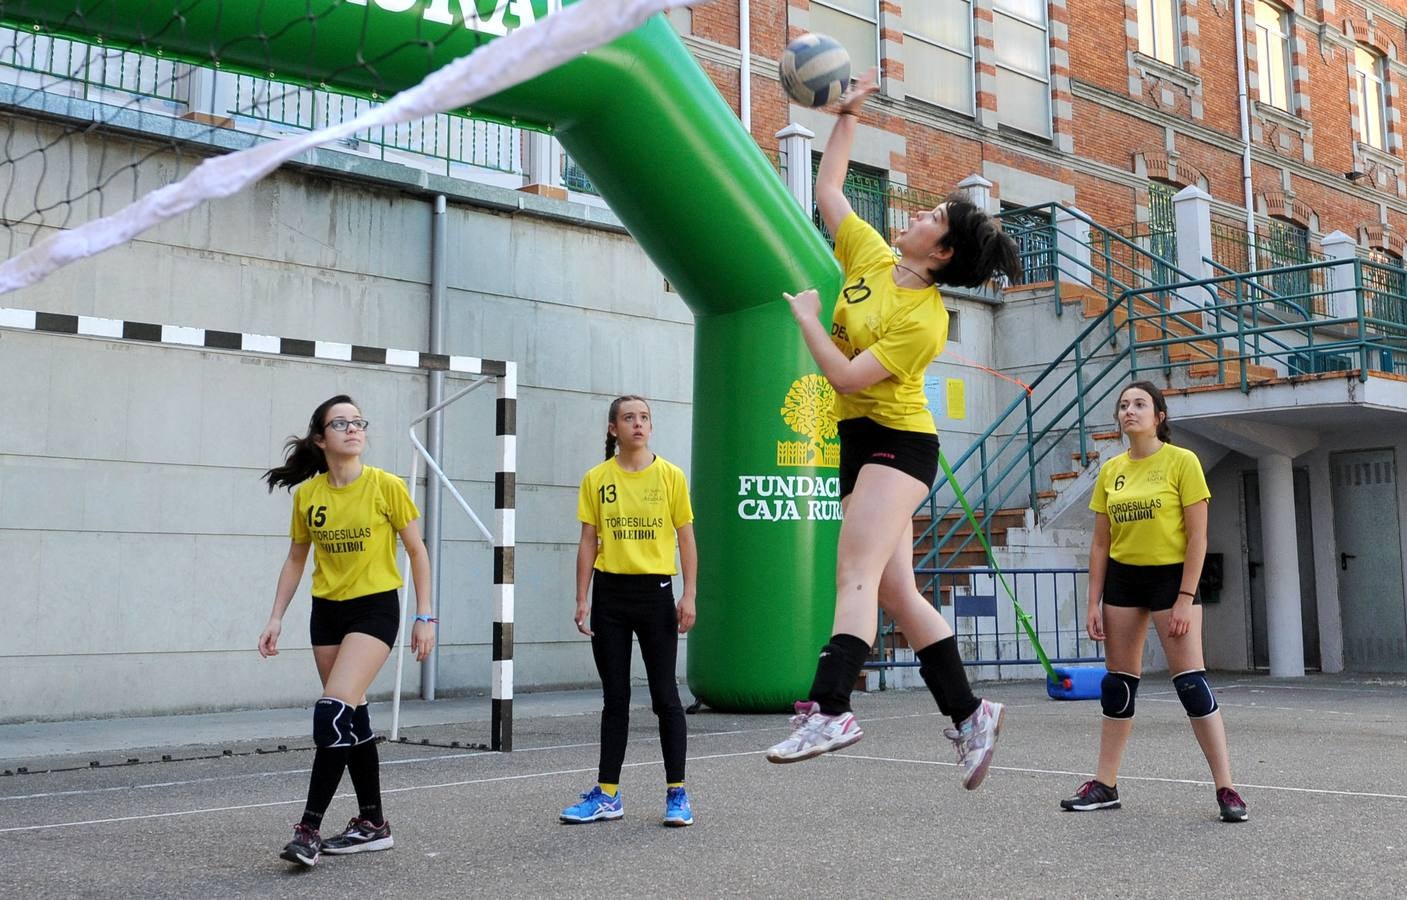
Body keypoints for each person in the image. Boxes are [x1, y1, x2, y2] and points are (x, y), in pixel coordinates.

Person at [763, 69, 1022, 791]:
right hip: (859, 443)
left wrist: (810, 322)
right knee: (896, 594)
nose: (913, 214)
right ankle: (970, 715)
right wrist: (844, 118)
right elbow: (828, 193)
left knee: (852, 573)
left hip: (898, 445)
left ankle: (831, 708)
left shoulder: (924, 321)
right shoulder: (873, 258)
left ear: (941, 252)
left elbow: (846, 380)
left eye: (930, 216)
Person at [259, 394, 436, 866]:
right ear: (321, 438)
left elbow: (417, 551)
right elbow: (297, 558)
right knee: (351, 721)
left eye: (359, 421)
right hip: (327, 613)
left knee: (330, 714)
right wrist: (276, 615)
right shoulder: (309, 495)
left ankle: (308, 829)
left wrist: (425, 615)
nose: (354, 429)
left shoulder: (386, 486)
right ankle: (373, 824)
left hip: (374, 611)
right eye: (341, 424)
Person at [1060, 381, 1248, 822]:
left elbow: (1198, 536)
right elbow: (1100, 544)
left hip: (1171, 578)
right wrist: (1093, 602)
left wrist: (1185, 597)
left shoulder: (1182, 462)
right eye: (1123, 404)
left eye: (1140, 404)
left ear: (1159, 416)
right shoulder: (1111, 470)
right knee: (1118, 684)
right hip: (1124, 580)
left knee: (1191, 685)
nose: (1130, 411)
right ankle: (1105, 785)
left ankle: (1227, 788)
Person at [560, 395, 699, 827]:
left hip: (656, 593)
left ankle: (676, 793)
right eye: (628, 418)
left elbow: (686, 539)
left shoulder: (671, 476)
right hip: (610, 597)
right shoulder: (596, 479)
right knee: (614, 699)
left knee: (666, 698)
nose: (637, 424)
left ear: (650, 427)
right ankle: (607, 794)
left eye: (643, 418)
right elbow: (588, 541)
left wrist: (689, 593)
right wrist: (582, 597)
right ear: (612, 428)